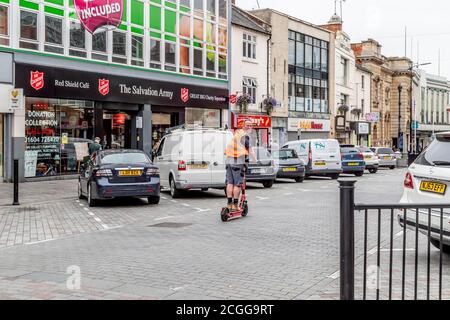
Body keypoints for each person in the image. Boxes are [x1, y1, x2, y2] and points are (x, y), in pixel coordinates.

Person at [224, 120, 256, 211]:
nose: (249, 127)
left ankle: (229, 204)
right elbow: (250, 149)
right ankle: (235, 205)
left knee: (230, 183)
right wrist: (255, 160)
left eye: (250, 125)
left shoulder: (237, 133)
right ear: (243, 126)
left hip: (229, 161)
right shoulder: (244, 136)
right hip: (237, 162)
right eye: (247, 125)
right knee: (237, 184)